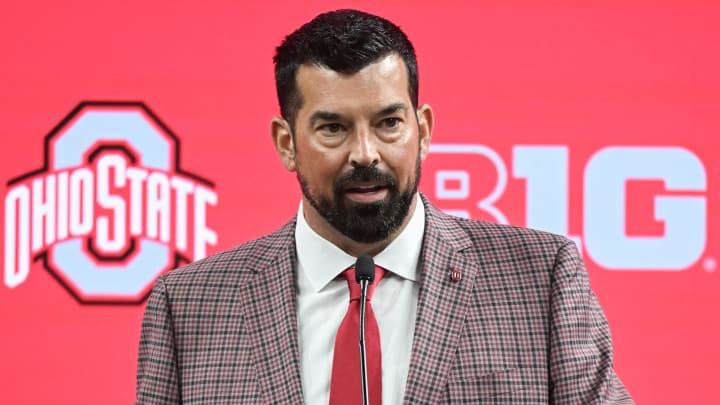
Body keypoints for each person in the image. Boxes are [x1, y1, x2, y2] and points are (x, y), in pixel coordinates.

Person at [136, 9, 633, 404]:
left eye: (389, 123)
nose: (366, 153)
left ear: (425, 129)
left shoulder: (538, 279)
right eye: (333, 128)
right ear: (286, 142)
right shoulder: (188, 306)